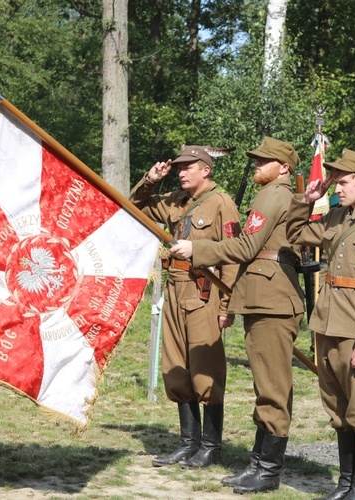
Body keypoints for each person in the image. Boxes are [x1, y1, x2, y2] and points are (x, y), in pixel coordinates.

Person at [169, 137, 304, 493]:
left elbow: (246, 247)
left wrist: (198, 248)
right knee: (266, 385)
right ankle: (259, 463)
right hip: (263, 296)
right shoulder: (273, 193)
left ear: (284, 167)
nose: (256, 164)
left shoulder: (274, 194)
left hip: (274, 299)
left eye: (264, 160)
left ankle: (268, 470)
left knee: (272, 388)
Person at [286, 149, 355, 500]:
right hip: (328, 323)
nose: (336, 187)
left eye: (343, 181)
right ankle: (346, 482)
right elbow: (295, 232)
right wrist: (308, 201)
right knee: (337, 408)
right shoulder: (336, 216)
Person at [128, 145, 240, 469]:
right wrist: (150, 180)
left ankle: (211, 446)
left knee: (206, 369)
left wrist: (227, 305)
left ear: (205, 169)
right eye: (178, 167)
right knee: (177, 368)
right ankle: (188, 443)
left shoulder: (222, 203)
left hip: (205, 294)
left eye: (188, 166)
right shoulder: (177, 200)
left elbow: (233, 253)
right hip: (175, 290)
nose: (181, 171)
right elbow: (137, 207)